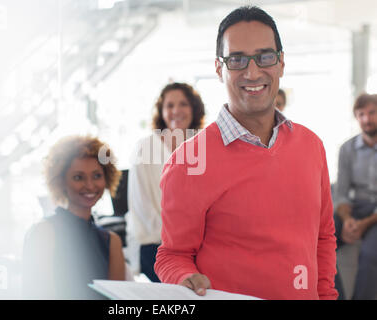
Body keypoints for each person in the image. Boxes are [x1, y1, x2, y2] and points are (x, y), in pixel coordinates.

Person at [154, 6, 338, 300]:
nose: (252, 72)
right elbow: (172, 255)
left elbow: (323, 238)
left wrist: (325, 296)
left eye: (265, 57)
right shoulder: (189, 161)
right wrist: (184, 277)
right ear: (219, 69)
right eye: (237, 59)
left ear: (280, 63)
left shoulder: (311, 146)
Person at [22, 136, 125, 299]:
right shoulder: (44, 232)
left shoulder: (112, 242)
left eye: (97, 176)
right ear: (61, 182)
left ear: (106, 178)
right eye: (78, 177)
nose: (90, 185)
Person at [127, 82, 205, 282]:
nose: (176, 111)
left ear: (194, 109)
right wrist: (177, 239)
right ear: (161, 111)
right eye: (169, 106)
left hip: (198, 245)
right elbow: (141, 206)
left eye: (183, 104)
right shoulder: (146, 147)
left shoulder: (204, 145)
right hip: (156, 244)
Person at [334, 93, 377, 300]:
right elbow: (341, 193)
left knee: (370, 255)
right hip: (355, 208)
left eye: (372, 113)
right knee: (320, 240)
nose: (367, 119)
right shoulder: (347, 149)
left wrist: (364, 224)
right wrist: (347, 220)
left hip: (375, 214)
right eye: (361, 114)